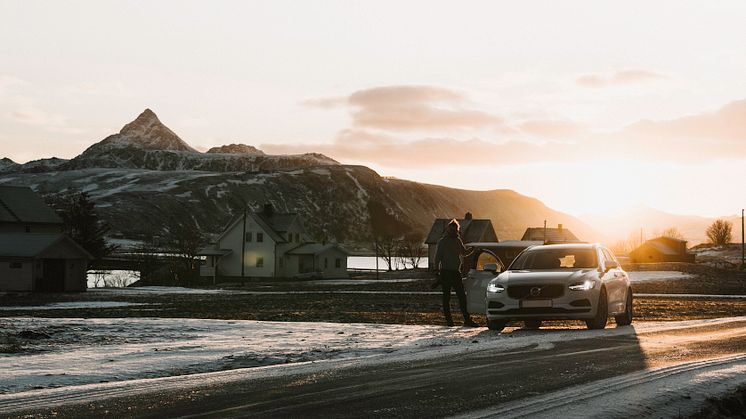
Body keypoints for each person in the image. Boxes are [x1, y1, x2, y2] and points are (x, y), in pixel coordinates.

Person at [434, 219, 478, 327]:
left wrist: (472, 249)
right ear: (448, 229)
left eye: (455, 229)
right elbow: (437, 258)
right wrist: (437, 271)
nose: (453, 230)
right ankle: (450, 321)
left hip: (455, 273)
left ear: (457, 229)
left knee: (462, 297)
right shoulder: (443, 241)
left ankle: (466, 320)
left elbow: (464, 253)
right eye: (451, 228)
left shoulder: (458, 241)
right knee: (447, 298)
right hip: (446, 272)